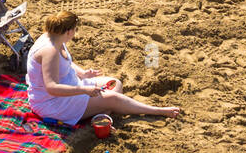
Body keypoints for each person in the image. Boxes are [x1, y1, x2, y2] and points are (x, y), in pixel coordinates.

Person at [26, 12, 181, 123]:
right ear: (69, 31)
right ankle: (157, 111)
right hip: (53, 103)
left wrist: (83, 73)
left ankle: (99, 115)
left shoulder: (53, 36)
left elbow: (65, 63)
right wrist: (84, 90)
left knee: (115, 83)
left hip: (72, 86)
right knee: (112, 98)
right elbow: (52, 88)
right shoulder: (50, 50)